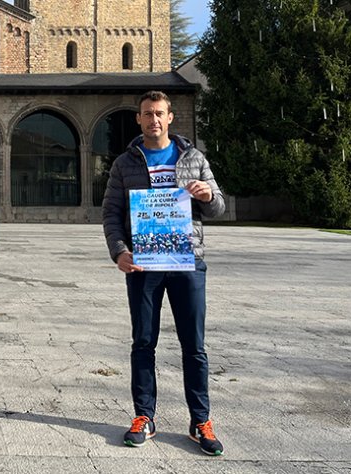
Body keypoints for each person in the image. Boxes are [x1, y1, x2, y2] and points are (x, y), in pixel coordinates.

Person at [101, 91, 226, 456]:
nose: (153, 120)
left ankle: (200, 420)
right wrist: (119, 251)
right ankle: (144, 416)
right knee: (143, 343)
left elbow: (218, 206)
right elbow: (111, 214)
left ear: (170, 118)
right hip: (143, 265)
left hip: (187, 263)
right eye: (146, 114)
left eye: (159, 114)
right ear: (138, 120)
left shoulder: (194, 158)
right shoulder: (125, 163)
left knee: (195, 347)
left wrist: (206, 197)